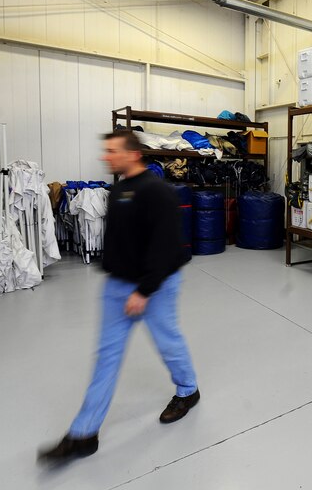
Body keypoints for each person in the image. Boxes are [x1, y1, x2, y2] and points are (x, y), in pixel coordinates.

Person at [39, 130, 200, 465]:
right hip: (118, 286)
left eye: (112, 151)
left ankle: (188, 390)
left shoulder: (157, 192)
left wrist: (143, 290)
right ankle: (83, 434)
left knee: (167, 341)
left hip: (153, 285)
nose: (106, 157)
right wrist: (112, 274)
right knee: (106, 358)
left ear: (133, 154)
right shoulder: (119, 189)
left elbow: (167, 246)